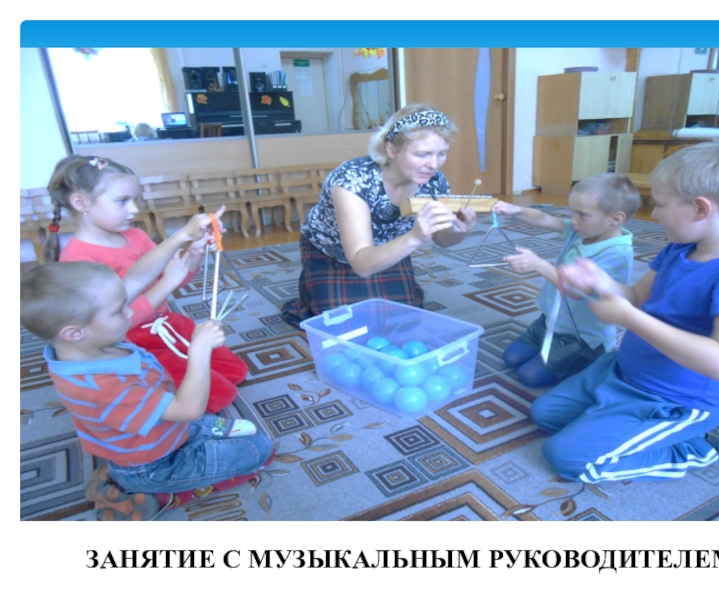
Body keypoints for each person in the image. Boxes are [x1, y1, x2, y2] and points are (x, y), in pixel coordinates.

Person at [530, 140, 719, 482]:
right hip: (622, 373)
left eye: (660, 205)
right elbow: (634, 297)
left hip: (674, 398)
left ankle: (699, 446)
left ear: (701, 209)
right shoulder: (679, 248)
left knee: (567, 459)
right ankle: (617, 419)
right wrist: (600, 281)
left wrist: (628, 318)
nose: (655, 215)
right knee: (545, 414)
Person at [20, 262, 274, 517]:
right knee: (260, 449)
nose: (130, 312)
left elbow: (133, 285)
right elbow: (189, 409)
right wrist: (199, 350)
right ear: (75, 333)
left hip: (160, 431)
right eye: (118, 310)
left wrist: (173, 270)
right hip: (154, 465)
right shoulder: (104, 388)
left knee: (239, 434)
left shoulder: (88, 344)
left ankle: (139, 467)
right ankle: (161, 493)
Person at [46, 154, 248, 413]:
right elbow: (116, 321)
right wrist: (170, 274)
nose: (134, 210)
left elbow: (173, 278)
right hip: (129, 341)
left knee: (236, 371)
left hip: (166, 323)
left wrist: (195, 252)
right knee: (217, 395)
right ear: (81, 202)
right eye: (122, 201)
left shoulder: (136, 236)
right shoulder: (78, 259)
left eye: (135, 200)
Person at [282, 103, 478, 324]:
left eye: (442, 154)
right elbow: (361, 264)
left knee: (403, 318)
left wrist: (458, 230)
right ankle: (312, 282)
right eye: (422, 154)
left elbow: (442, 240)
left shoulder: (435, 182)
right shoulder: (353, 180)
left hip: (388, 248)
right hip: (331, 251)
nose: (433, 165)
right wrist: (415, 237)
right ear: (392, 150)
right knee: (341, 323)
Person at [492, 173, 640, 387]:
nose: (573, 220)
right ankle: (551, 344)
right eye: (572, 212)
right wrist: (516, 210)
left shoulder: (617, 253)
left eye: (582, 214)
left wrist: (539, 264)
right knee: (511, 357)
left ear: (615, 218)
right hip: (553, 320)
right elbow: (544, 219)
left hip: (583, 338)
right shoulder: (583, 231)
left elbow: (575, 290)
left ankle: (595, 360)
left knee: (528, 376)